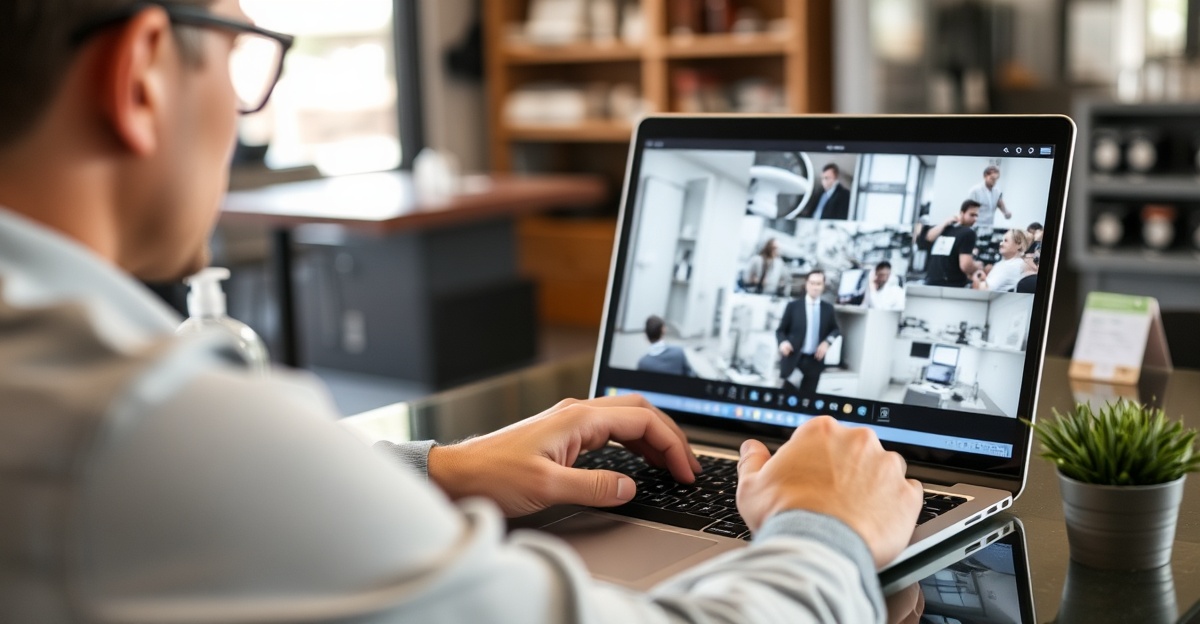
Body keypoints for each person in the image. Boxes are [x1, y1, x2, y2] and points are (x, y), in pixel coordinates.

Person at [0, 1, 924, 621]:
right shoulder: (138, 426)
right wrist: (824, 529)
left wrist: (433, 470)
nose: (243, 116)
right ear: (144, 74)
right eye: (247, 60)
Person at [776, 270, 841, 395]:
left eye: (818, 284)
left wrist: (827, 342)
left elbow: (836, 330)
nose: (815, 287)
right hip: (794, 360)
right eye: (812, 283)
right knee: (787, 398)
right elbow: (780, 331)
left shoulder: (828, 309)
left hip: (815, 362)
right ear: (806, 284)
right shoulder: (793, 306)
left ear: (823, 286)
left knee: (808, 401)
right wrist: (783, 343)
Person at [924, 200, 983, 287]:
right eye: (972, 215)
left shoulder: (949, 230)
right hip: (951, 285)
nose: (975, 219)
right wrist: (977, 266)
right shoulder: (968, 232)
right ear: (962, 213)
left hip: (931, 282)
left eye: (977, 216)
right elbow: (966, 266)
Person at [967, 165, 1011, 232]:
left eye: (996, 179)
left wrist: (1006, 213)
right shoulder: (975, 191)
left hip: (989, 227)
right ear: (985, 176)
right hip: (976, 227)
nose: (994, 181)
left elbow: (1002, 207)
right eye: (992, 179)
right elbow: (969, 210)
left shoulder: (997, 192)